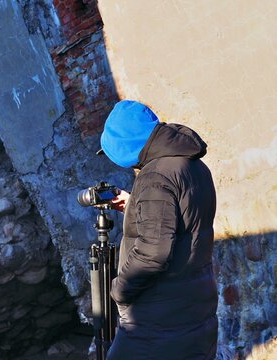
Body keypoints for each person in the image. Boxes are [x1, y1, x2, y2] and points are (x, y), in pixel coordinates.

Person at [99, 100, 218, 359]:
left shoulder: (155, 177)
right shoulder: (194, 166)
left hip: (158, 319)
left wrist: (120, 289)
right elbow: (186, 223)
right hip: (195, 307)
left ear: (124, 143)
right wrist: (135, 205)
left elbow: (153, 253)